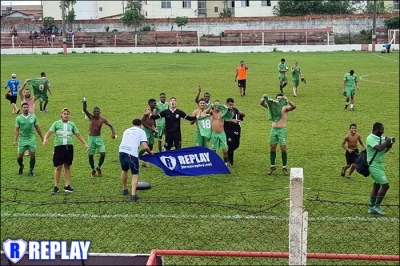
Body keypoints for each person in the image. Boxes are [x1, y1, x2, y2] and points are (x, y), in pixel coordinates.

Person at [43, 108, 89, 195]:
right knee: (58, 167)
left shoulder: (72, 124)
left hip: (69, 147)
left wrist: (85, 144)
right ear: (61, 115)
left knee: (67, 166)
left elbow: (78, 134)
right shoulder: (56, 124)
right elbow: (49, 132)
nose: (66, 115)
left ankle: (67, 186)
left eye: (67, 114)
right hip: (59, 147)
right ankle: (56, 186)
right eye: (64, 114)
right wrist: (45, 139)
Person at [260, 93, 296, 176]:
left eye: (280, 98)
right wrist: (264, 97)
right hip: (273, 130)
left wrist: (288, 100)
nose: (279, 100)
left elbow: (294, 107)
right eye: (278, 98)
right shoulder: (272, 107)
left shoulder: (285, 108)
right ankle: (272, 166)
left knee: (283, 149)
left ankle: (284, 167)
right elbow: (262, 103)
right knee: (272, 148)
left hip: (282, 130)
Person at [119, 119, 154, 201]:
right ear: (140, 125)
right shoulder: (141, 132)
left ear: (132, 124)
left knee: (124, 170)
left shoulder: (126, 130)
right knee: (135, 174)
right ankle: (133, 195)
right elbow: (145, 147)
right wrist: (150, 152)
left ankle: (124, 189)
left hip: (121, 151)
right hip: (131, 153)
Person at [366, 122, 395, 215]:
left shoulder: (380, 138)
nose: (383, 131)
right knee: (386, 185)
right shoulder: (370, 138)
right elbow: (378, 148)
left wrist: (390, 143)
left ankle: (371, 207)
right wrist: (387, 141)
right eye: (382, 129)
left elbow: (384, 150)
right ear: (376, 129)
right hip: (373, 165)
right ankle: (377, 206)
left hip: (379, 164)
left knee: (376, 186)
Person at [83, 98, 116, 177]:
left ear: (100, 112)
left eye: (97, 111)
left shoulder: (102, 119)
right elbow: (84, 109)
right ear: (93, 112)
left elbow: (110, 125)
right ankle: (93, 169)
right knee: (90, 155)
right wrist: (84, 102)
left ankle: (98, 167)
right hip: (91, 138)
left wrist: (113, 133)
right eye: (95, 111)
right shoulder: (91, 117)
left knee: (103, 154)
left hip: (99, 138)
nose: (96, 112)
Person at [14, 103, 44, 177]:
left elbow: (37, 128)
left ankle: (30, 171)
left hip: (31, 139)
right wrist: (15, 140)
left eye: (27, 107)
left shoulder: (33, 117)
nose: (26, 108)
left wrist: (42, 137)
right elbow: (17, 130)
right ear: (22, 108)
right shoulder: (18, 118)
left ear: (29, 108)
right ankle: (21, 166)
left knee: (32, 155)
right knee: (19, 157)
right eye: (24, 107)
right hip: (22, 139)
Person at [206, 100, 230, 165]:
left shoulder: (223, 113)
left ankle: (225, 163)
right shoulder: (212, 112)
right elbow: (206, 112)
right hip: (214, 134)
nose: (217, 106)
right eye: (216, 105)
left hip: (222, 134)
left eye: (218, 105)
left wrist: (225, 107)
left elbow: (228, 112)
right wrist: (211, 107)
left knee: (224, 150)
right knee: (214, 150)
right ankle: (214, 162)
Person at [224, 98, 245, 167]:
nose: (231, 106)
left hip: (236, 130)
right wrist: (231, 120)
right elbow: (222, 119)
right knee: (231, 145)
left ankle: (228, 153)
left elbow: (241, 117)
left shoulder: (235, 110)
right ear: (226, 104)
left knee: (237, 145)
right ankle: (231, 162)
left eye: (232, 104)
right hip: (228, 130)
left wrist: (242, 114)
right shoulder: (224, 111)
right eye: (229, 104)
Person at [139, 99, 158, 167]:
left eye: (156, 103)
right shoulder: (147, 111)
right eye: (154, 103)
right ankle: (137, 157)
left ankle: (144, 161)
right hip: (146, 130)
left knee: (151, 146)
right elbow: (142, 122)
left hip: (151, 130)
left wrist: (155, 128)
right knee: (146, 146)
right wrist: (150, 128)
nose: (155, 104)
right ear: (150, 104)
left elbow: (154, 120)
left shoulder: (154, 111)